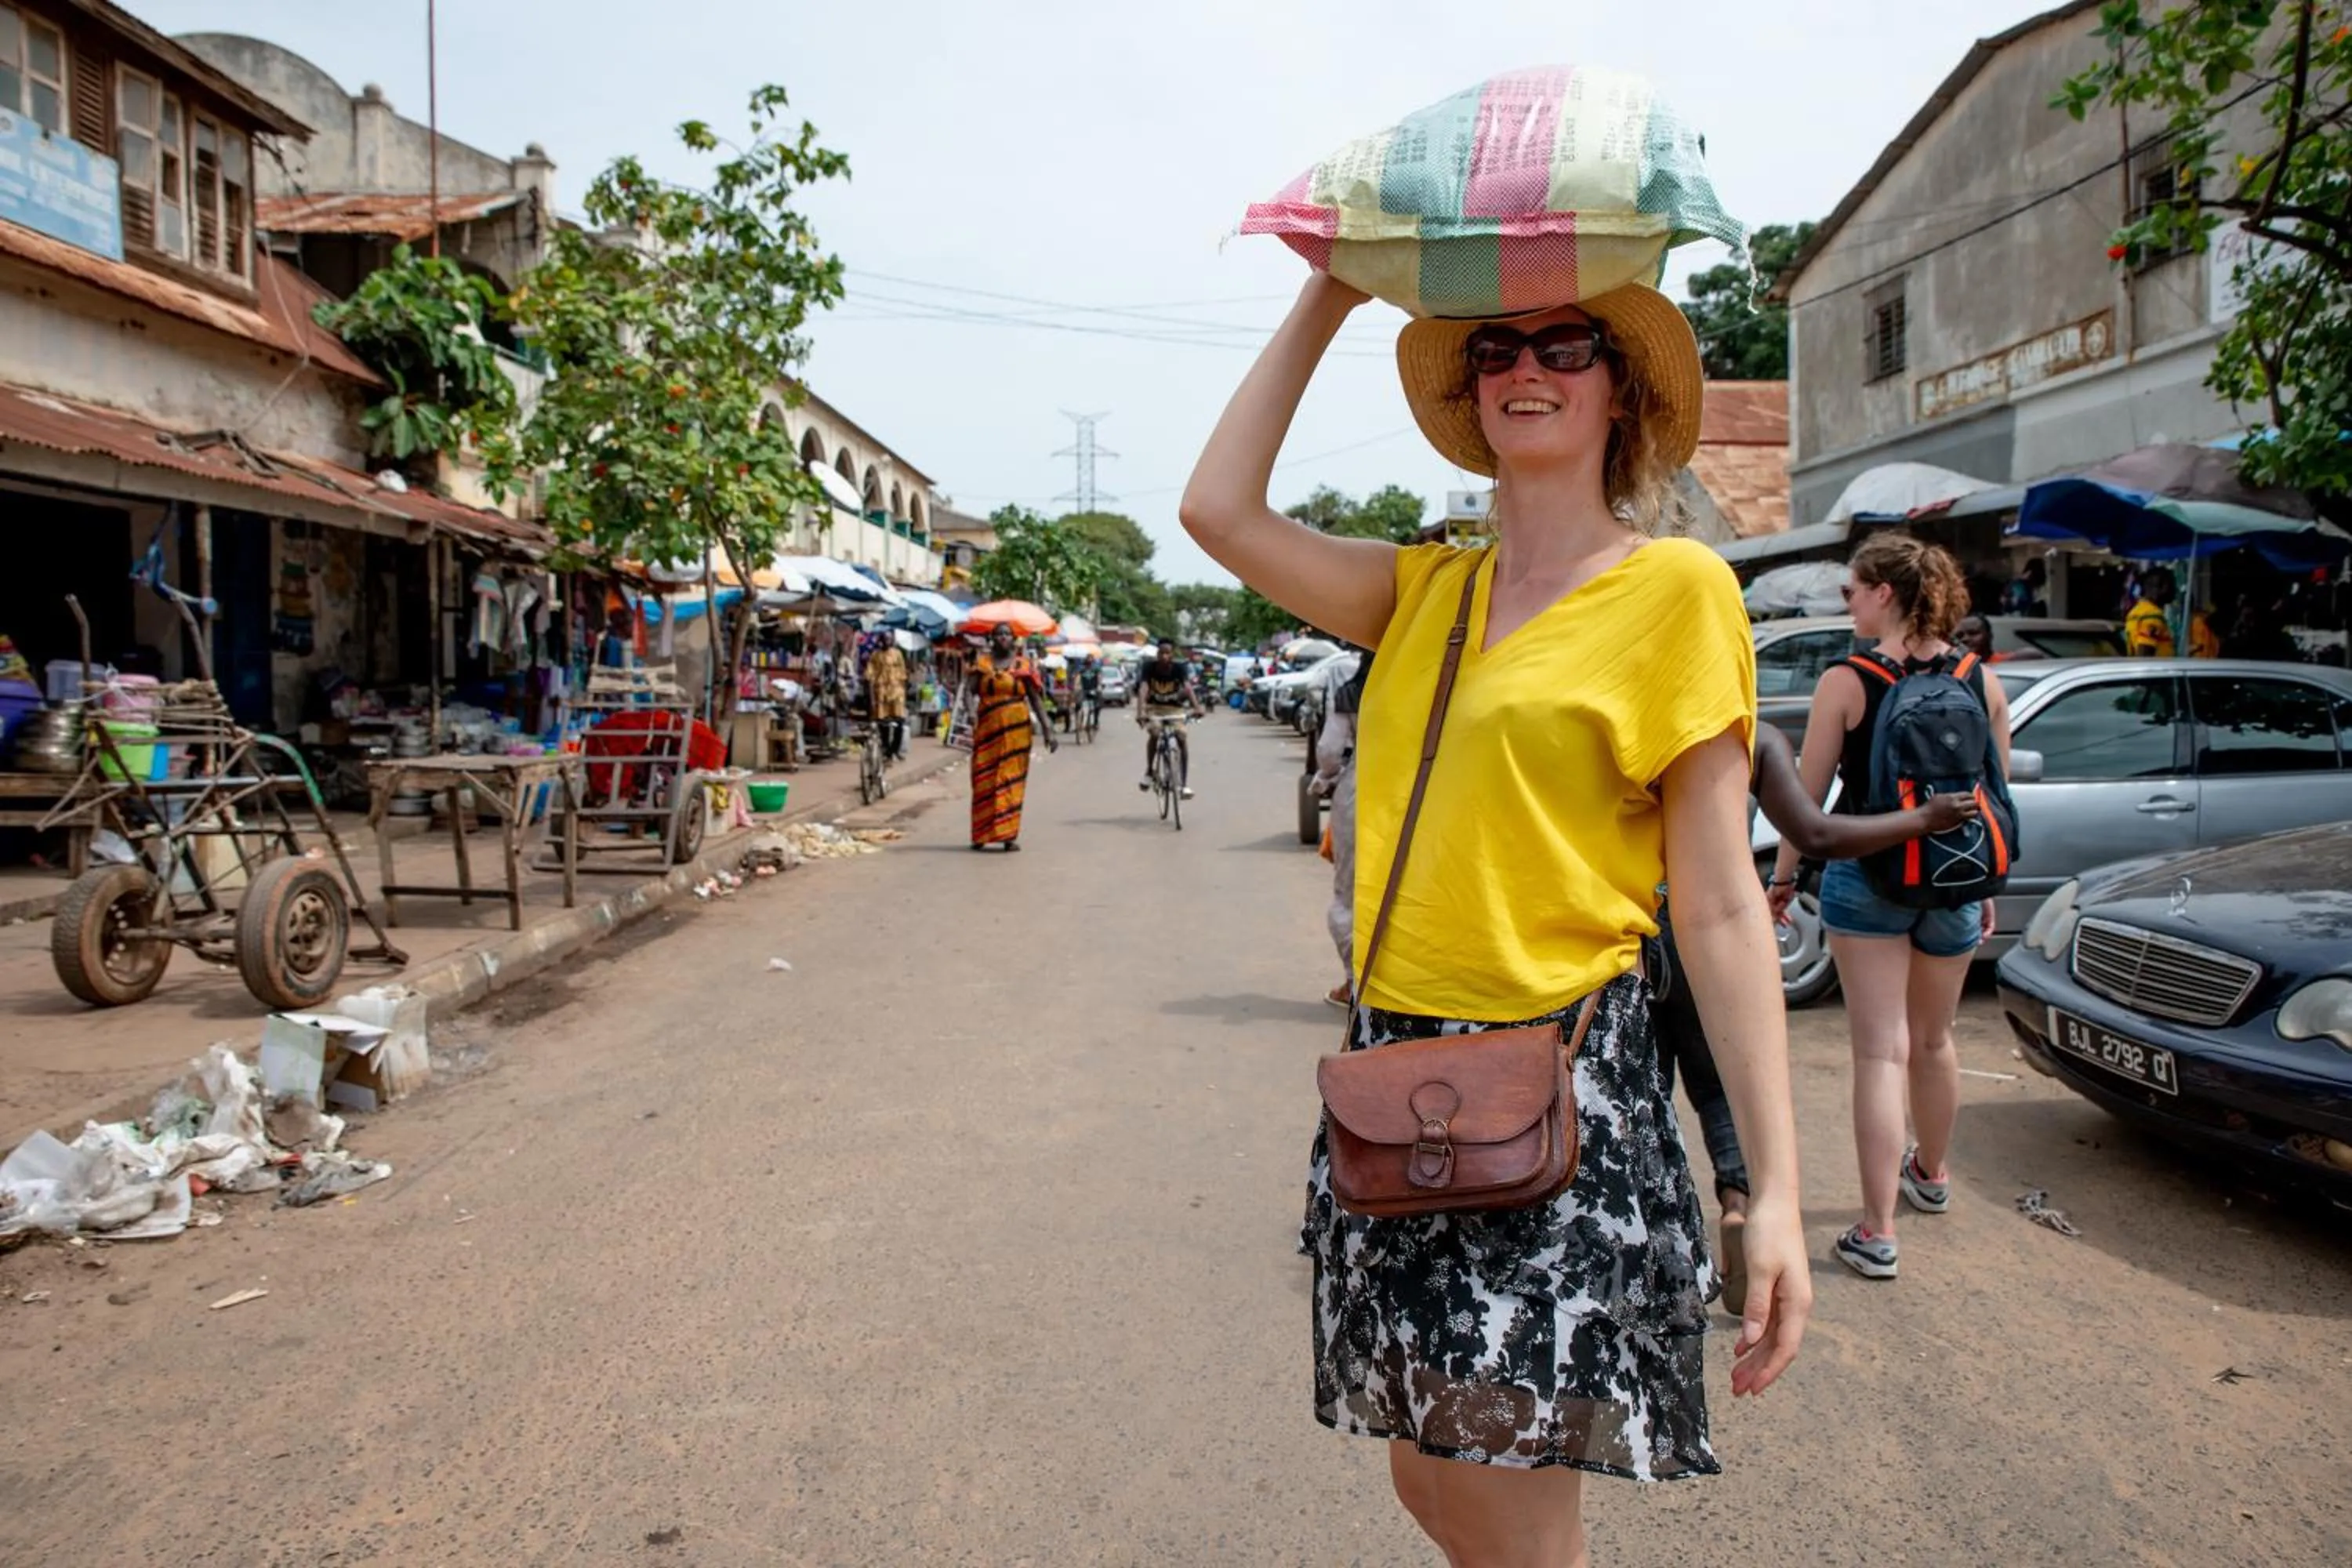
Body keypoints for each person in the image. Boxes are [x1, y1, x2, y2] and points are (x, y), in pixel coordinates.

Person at [1183, 270, 1809, 1559]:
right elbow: (1215, 510)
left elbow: (1725, 907)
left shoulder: (1676, 591)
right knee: (1427, 1467)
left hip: (1562, 1084)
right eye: (1498, 349)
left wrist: (1779, 1189)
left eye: (1566, 345)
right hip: (1401, 1072)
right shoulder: (1423, 594)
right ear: (1472, 391)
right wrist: (1325, 296)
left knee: (1509, 1497)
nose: (1528, 367)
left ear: (1618, 388)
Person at [1656, 723, 1980, 1316]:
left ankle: (1657, 1245)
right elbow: (1816, 832)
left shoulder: (1631, 717)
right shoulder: (1754, 736)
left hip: (1626, 934)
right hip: (1710, 927)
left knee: (1644, 1100)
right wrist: (1925, 820)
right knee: (1722, 1090)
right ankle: (1738, 1202)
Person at [1769, 534, 2011, 1283]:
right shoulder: (1980, 678)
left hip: (1867, 879)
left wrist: (1783, 882)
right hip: (1958, 882)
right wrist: (1985, 886)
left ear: (1883, 594)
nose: (1845, 603)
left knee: (1880, 1052)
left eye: (1851, 590)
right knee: (1935, 1042)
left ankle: (1878, 1233)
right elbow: (1996, 794)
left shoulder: (1847, 681)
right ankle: (1930, 1176)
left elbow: (1805, 802)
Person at [960, 626, 1055, 851]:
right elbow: (968, 691)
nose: (1003, 637)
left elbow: (1035, 699)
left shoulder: (1023, 666)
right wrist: (971, 712)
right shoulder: (982, 665)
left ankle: (1008, 835)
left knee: (1011, 780)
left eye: (1007, 634)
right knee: (984, 779)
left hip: (1016, 734)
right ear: (992, 638)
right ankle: (981, 834)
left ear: (1013, 639)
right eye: (998, 634)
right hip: (987, 731)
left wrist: (1048, 729)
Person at [1314, 650, 1371, 1010]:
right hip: (1425, 794)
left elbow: (1330, 751)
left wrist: (1325, 777)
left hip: (1362, 791)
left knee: (1350, 893)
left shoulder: (1351, 693)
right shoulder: (1425, 683)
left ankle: (1355, 985)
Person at [1136, 637, 1205, 799]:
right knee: (1154, 733)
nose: (1164, 656)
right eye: (1161, 653)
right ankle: (1149, 771)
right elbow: (1143, 688)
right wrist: (1140, 712)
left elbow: (1187, 688)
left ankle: (1185, 784)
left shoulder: (1180, 668)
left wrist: (1197, 707)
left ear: (1172, 654)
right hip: (1154, 709)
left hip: (1175, 709)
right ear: (1157, 653)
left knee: (1181, 737)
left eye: (1167, 653)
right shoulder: (1149, 667)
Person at [864, 636, 910, 762]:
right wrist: (870, 685)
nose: (886, 642)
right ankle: (886, 750)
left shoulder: (897, 654)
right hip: (882, 692)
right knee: (882, 722)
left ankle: (895, 749)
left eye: (889, 640)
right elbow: (870, 672)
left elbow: (903, 671)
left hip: (896, 691)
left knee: (899, 722)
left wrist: (903, 685)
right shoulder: (876, 655)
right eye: (884, 640)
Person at [2125, 567, 2179, 656]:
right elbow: (2145, 653)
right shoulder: (2152, 614)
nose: (2174, 592)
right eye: (2173, 587)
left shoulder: (2135, 611)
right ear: (2164, 588)